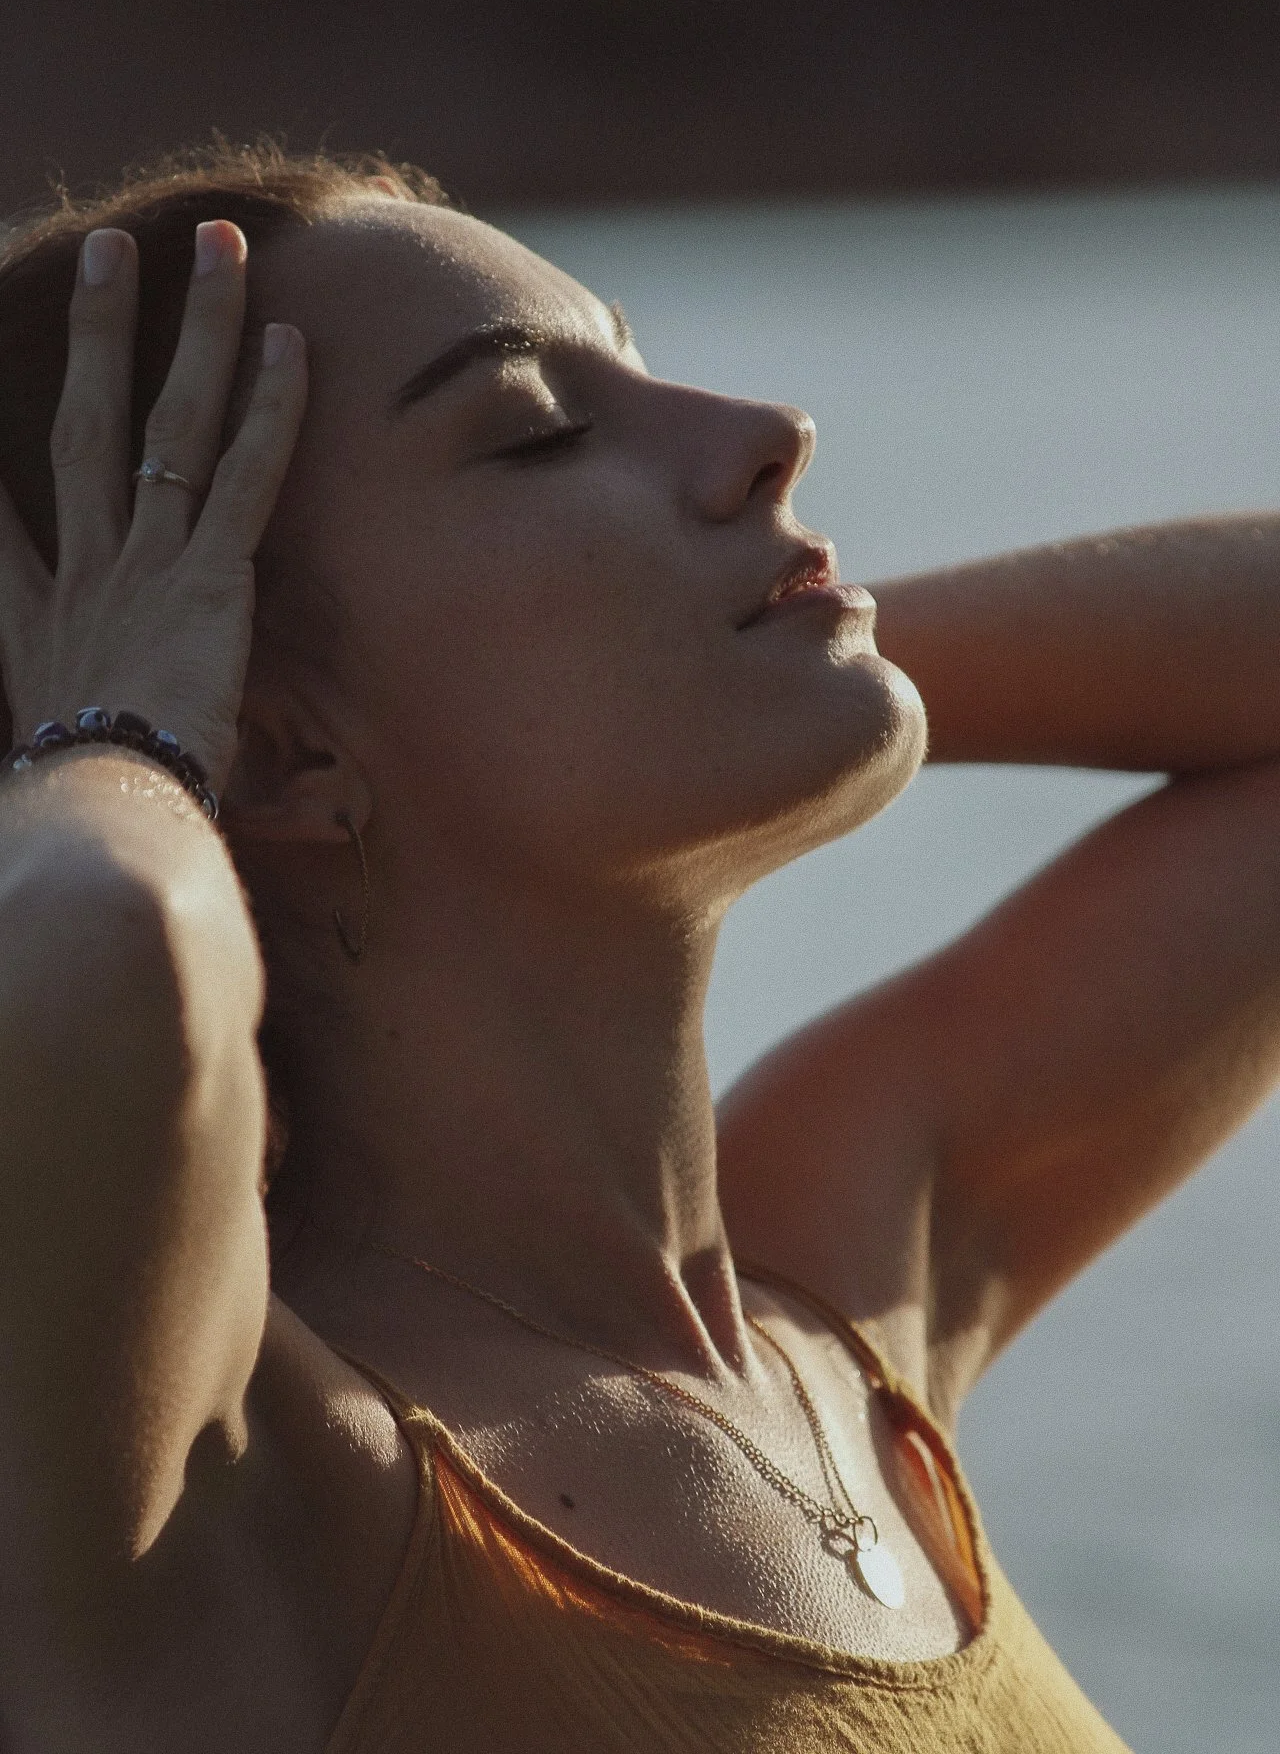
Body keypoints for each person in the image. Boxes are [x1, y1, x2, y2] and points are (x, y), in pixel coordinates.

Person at [0, 142, 1275, 1753]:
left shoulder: (846, 1307)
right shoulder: (231, 1475)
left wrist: (797, 656)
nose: (769, 437)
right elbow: (90, 959)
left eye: (646, 367)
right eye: (539, 431)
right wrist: (127, 727)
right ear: (264, 753)